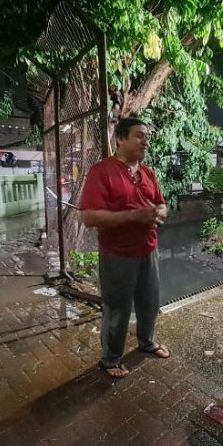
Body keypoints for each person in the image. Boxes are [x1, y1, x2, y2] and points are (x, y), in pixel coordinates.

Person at [80, 118, 171, 378]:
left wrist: (160, 212)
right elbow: (89, 217)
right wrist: (134, 217)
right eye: (139, 135)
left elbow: (160, 204)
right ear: (119, 139)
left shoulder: (148, 173)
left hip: (148, 249)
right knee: (117, 309)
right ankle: (110, 359)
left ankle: (147, 342)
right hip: (117, 254)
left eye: (147, 136)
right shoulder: (102, 171)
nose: (146, 141)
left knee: (149, 302)